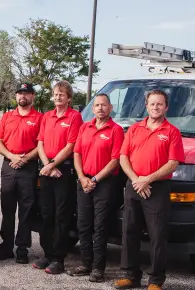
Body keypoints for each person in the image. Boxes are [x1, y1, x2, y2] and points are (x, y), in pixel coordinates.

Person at [114, 90, 184, 290]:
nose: (156, 107)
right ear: (147, 106)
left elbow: (173, 163)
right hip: (134, 185)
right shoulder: (135, 129)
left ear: (166, 107)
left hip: (158, 187)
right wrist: (137, 180)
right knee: (129, 232)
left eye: (159, 104)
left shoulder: (172, 132)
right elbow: (123, 157)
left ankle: (155, 280)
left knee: (157, 235)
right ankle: (129, 275)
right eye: (152, 104)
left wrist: (148, 180)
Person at [67, 93, 124, 282]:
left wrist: (95, 180)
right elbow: (77, 154)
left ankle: (98, 268)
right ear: (93, 109)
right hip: (84, 181)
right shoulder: (85, 127)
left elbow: (115, 160)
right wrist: (82, 177)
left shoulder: (116, 130)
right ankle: (85, 263)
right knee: (83, 225)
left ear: (110, 108)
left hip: (104, 183)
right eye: (97, 105)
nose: (100, 108)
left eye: (104, 105)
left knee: (100, 226)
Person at [34, 80, 84, 274]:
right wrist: (47, 166)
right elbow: (40, 143)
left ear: (69, 98)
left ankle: (58, 258)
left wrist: (54, 164)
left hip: (64, 170)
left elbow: (71, 145)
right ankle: (47, 254)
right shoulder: (47, 117)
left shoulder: (75, 117)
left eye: (61, 94)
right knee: (46, 213)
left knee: (61, 215)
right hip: (47, 169)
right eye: (55, 94)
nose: (57, 97)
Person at [0, 83, 41, 264]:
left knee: (26, 210)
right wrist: (12, 156)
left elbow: (41, 146)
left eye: (27, 93)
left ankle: (22, 249)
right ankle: (6, 247)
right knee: (8, 209)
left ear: (32, 96)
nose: (23, 96)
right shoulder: (7, 117)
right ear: (16, 96)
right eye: (20, 93)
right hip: (8, 167)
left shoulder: (39, 118)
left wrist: (25, 158)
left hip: (28, 168)